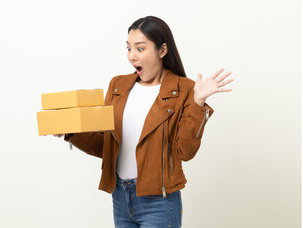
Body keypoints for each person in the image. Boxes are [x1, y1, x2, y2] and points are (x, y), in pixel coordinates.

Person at [54, 16, 233, 228]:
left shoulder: (185, 89)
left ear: (162, 50)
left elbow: (185, 151)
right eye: (129, 48)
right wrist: (70, 132)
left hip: (160, 201)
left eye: (140, 48)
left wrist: (198, 102)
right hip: (120, 196)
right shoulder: (118, 86)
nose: (132, 56)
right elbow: (106, 145)